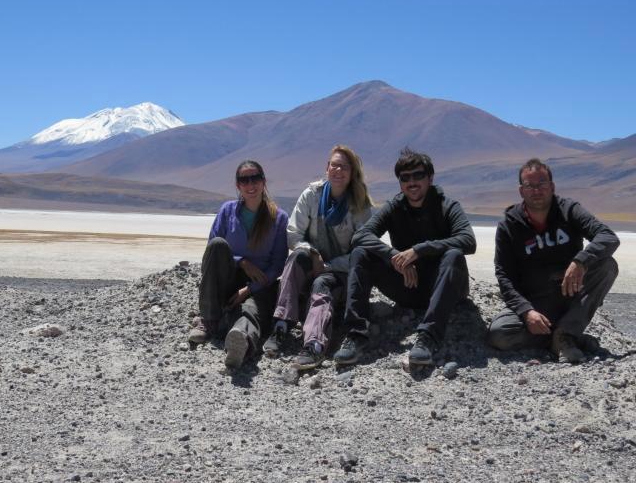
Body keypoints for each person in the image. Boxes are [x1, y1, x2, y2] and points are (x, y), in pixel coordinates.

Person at [333, 148, 476, 367]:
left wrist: (420, 250)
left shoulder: (447, 205)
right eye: (405, 178)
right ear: (400, 183)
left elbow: (468, 241)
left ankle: (428, 337)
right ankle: (356, 334)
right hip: (409, 286)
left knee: (454, 255)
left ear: (430, 178)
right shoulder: (395, 207)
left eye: (418, 175)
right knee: (361, 253)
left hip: (445, 288)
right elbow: (361, 236)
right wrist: (394, 256)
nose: (412, 182)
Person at [488, 158, 619, 363]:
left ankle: (564, 336)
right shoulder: (509, 225)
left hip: (572, 294)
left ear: (552, 187)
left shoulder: (569, 210)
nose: (536, 190)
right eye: (530, 186)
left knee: (607, 265)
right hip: (536, 301)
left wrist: (581, 261)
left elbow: (608, 237)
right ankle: (567, 336)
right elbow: (504, 276)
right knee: (500, 334)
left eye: (542, 184)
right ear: (521, 191)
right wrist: (526, 312)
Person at [263, 145, 373, 369]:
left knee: (322, 283)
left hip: (341, 272)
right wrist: (313, 254)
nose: (338, 170)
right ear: (327, 168)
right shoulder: (311, 195)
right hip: (314, 262)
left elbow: (362, 252)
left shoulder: (360, 206)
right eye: (334, 165)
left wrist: (329, 266)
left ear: (352, 173)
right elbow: (293, 234)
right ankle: (281, 325)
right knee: (295, 260)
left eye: (344, 167)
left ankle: (314, 345)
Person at [188, 160, 288, 369]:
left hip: (258, 283)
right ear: (238, 185)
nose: (250, 185)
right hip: (227, 278)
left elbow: (278, 264)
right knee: (217, 245)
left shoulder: (278, 218)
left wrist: (249, 289)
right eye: (244, 180)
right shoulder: (227, 211)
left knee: (251, 309)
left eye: (255, 178)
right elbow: (211, 250)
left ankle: (241, 339)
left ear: (263, 181)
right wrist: (241, 262)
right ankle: (209, 319)